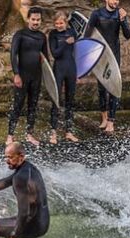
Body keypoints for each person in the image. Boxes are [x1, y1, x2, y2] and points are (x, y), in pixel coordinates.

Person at [84, 0, 130, 134]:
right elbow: (87, 34)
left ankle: (111, 121)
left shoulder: (120, 14)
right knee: (101, 88)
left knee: (113, 87)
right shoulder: (96, 14)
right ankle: (104, 117)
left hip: (114, 57)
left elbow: (128, 35)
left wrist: (123, 20)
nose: (115, 1)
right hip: (100, 56)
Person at [7, 6, 48, 147]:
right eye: (33, 19)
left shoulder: (42, 37)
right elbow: (13, 55)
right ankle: (10, 136)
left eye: (38, 20)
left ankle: (29, 134)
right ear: (28, 19)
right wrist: (16, 74)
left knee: (33, 106)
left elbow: (46, 59)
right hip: (22, 76)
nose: (36, 22)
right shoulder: (20, 34)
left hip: (36, 77)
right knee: (17, 105)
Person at [48, 11, 79, 145]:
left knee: (70, 102)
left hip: (71, 69)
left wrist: (80, 72)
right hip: (58, 69)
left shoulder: (72, 32)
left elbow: (78, 52)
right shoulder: (53, 34)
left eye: (61, 23)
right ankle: (53, 133)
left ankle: (69, 132)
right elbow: (55, 54)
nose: (58, 25)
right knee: (56, 101)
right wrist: (66, 43)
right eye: (56, 23)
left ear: (65, 22)